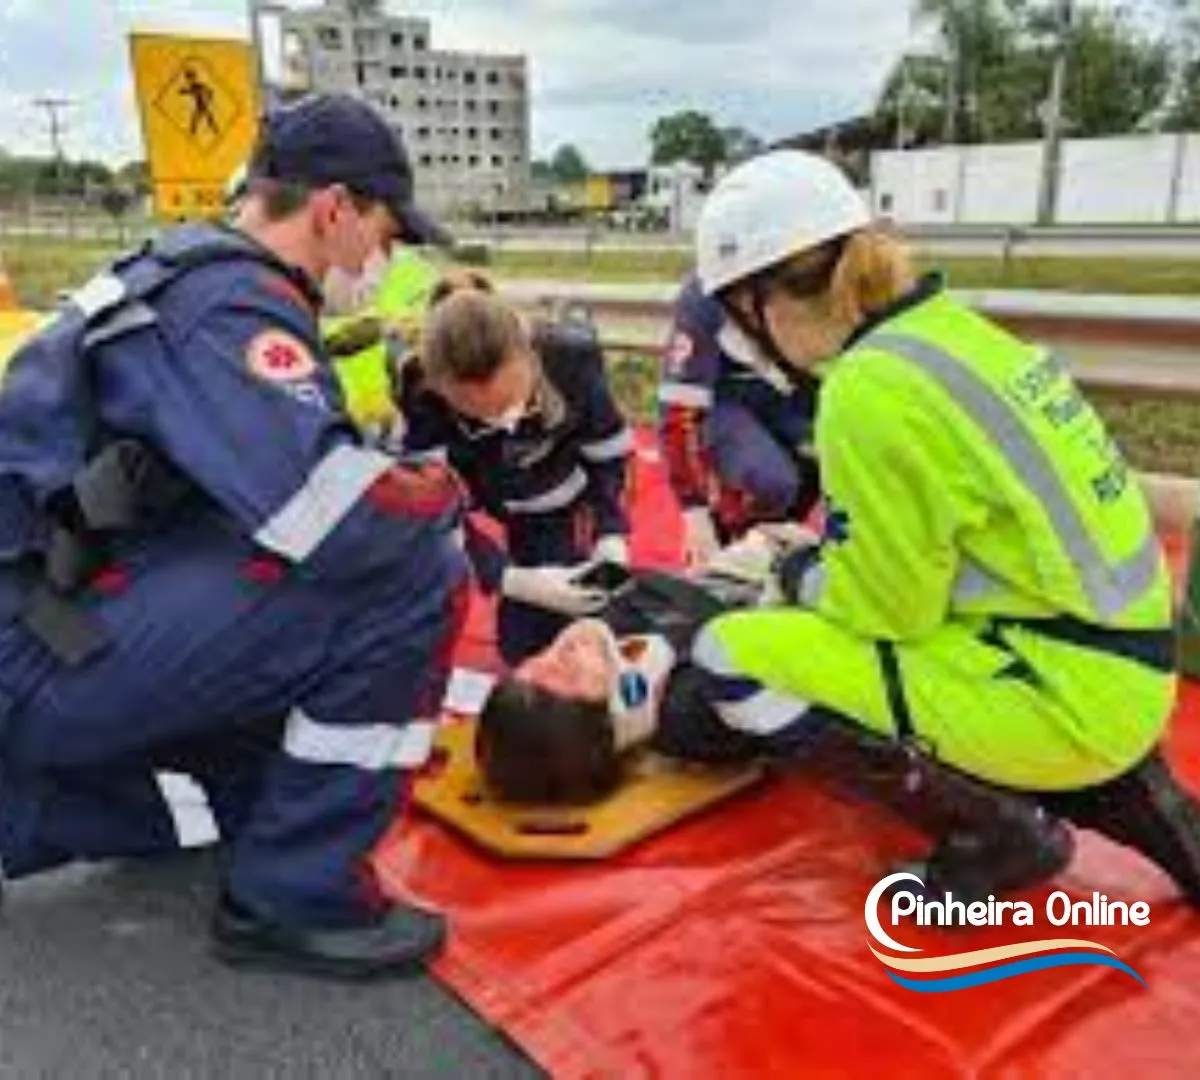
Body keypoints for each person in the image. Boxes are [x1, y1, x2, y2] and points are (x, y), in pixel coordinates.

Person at [477, 148, 1200, 907]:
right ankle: (1154, 814)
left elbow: (889, 613)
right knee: (825, 624)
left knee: (737, 654)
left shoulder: (866, 390)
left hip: (1059, 683)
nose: (749, 347)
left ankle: (995, 831)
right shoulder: (954, 333)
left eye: (738, 323)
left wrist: (794, 576)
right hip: (1122, 663)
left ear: (763, 298)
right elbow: (952, 546)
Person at [0, 91, 470, 978]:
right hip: (36, 653)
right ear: (335, 210)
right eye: (387, 232)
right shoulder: (230, 307)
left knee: (265, 756)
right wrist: (445, 492)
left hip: (45, 621)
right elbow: (343, 523)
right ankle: (299, 895)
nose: (389, 258)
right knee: (415, 571)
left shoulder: (181, 272)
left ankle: (97, 794)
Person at [397, 286, 634, 664]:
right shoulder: (419, 393)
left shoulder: (571, 357)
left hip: (561, 497)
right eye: (477, 412)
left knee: (583, 621)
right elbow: (431, 507)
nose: (503, 421)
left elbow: (608, 450)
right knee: (519, 647)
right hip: (486, 499)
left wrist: (612, 530)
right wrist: (505, 576)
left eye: (511, 401)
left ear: (529, 355)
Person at [658, 272, 821, 566]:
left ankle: (777, 547)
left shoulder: (815, 277)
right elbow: (678, 409)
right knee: (772, 481)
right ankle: (732, 536)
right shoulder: (704, 298)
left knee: (828, 457)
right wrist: (694, 511)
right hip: (725, 395)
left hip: (790, 389)